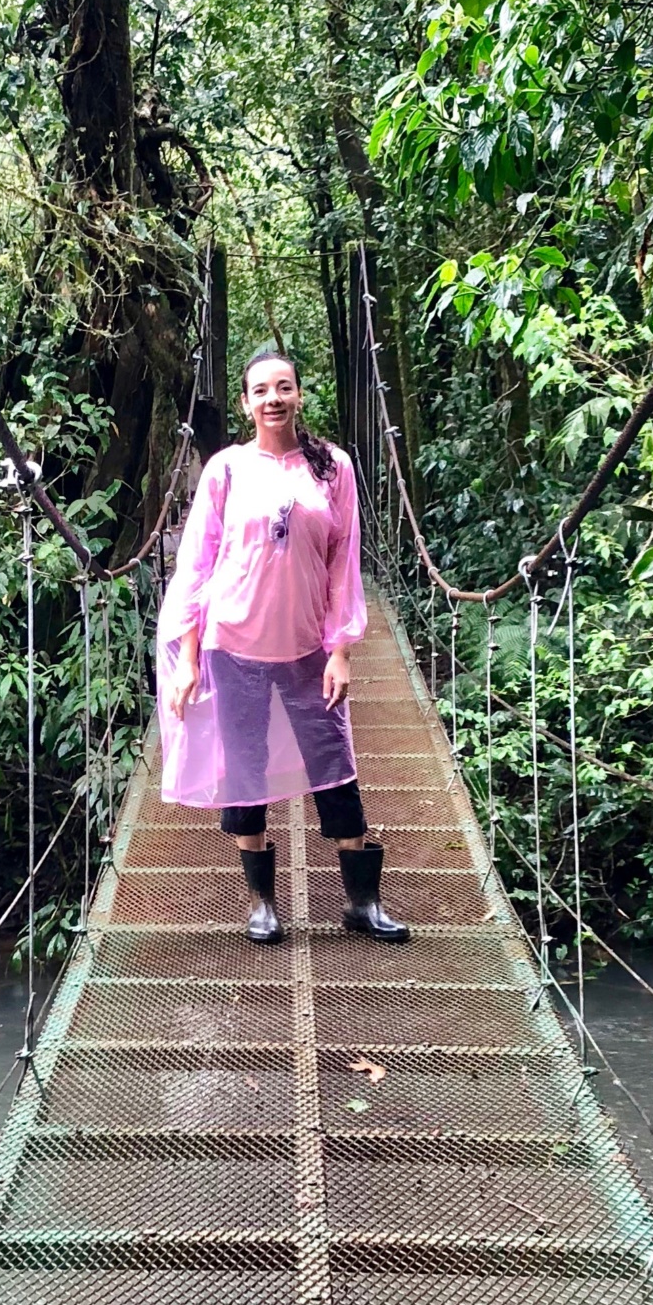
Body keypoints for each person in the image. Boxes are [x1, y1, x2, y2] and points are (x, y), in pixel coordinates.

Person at [158, 350, 409, 945]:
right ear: (246, 403)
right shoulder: (225, 469)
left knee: (335, 766)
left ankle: (362, 904)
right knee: (246, 771)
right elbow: (195, 566)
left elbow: (343, 564)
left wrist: (341, 647)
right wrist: (189, 655)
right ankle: (262, 904)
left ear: (298, 396)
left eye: (284, 387)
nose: (273, 398)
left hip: (306, 647)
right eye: (261, 390)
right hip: (231, 642)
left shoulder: (333, 468)